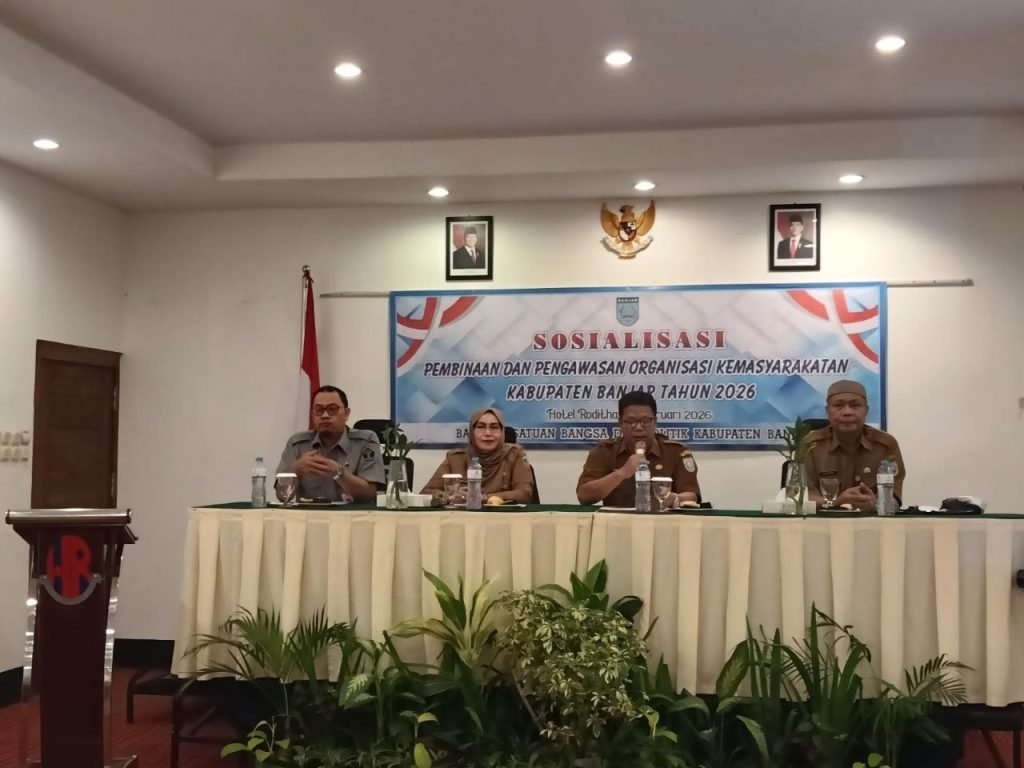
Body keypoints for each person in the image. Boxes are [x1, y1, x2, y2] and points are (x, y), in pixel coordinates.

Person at [576, 390, 700, 507]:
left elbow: (692, 496)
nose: (639, 427)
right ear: (620, 423)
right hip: (617, 520)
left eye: (645, 420)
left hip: (662, 520)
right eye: (631, 421)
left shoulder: (676, 452)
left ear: (655, 422)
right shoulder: (605, 451)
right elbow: (584, 496)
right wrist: (621, 474)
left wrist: (673, 498)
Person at [803, 380, 906, 511]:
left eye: (855, 405)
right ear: (827, 411)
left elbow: (894, 497)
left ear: (866, 411)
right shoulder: (810, 445)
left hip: (871, 521)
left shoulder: (885, 445)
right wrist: (836, 502)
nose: (847, 412)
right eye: (838, 405)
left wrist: (875, 504)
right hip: (825, 521)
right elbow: (803, 497)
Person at [276, 385, 384, 502]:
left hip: (351, 513)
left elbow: (369, 494)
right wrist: (295, 470)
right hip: (310, 513)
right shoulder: (297, 444)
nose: (325, 415)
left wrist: (338, 472)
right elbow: (282, 497)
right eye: (319, 410)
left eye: (332, 409)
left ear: (346, 413)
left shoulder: (365, 441)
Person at [421, 407, 535, 503]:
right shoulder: (455, 459)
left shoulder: (515, 455)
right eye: (481, 427)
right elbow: (426, 493)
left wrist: (484, 498)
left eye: (494, 427)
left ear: (502, 432)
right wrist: (449, 496)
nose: (488, 433)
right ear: (472, 432)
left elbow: (524, 494)